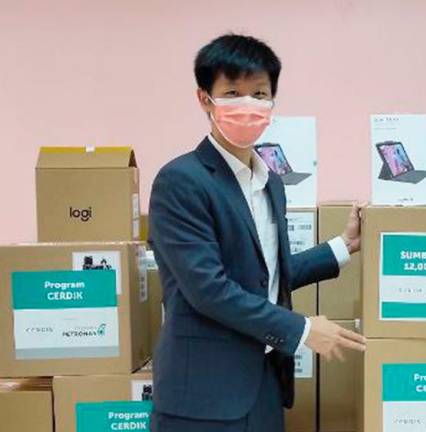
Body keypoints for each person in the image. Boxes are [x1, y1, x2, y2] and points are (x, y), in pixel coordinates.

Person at [148, 34, 366, 432]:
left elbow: (262, 275)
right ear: (205, 99)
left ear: (271, 104)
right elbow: (208, 289)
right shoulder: (181, 181)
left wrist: (343, 246)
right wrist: (300, 329)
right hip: (201, 394)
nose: (248, 105)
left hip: (263, 381)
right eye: (233, 92)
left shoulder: (270, 183)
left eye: (259, 94)